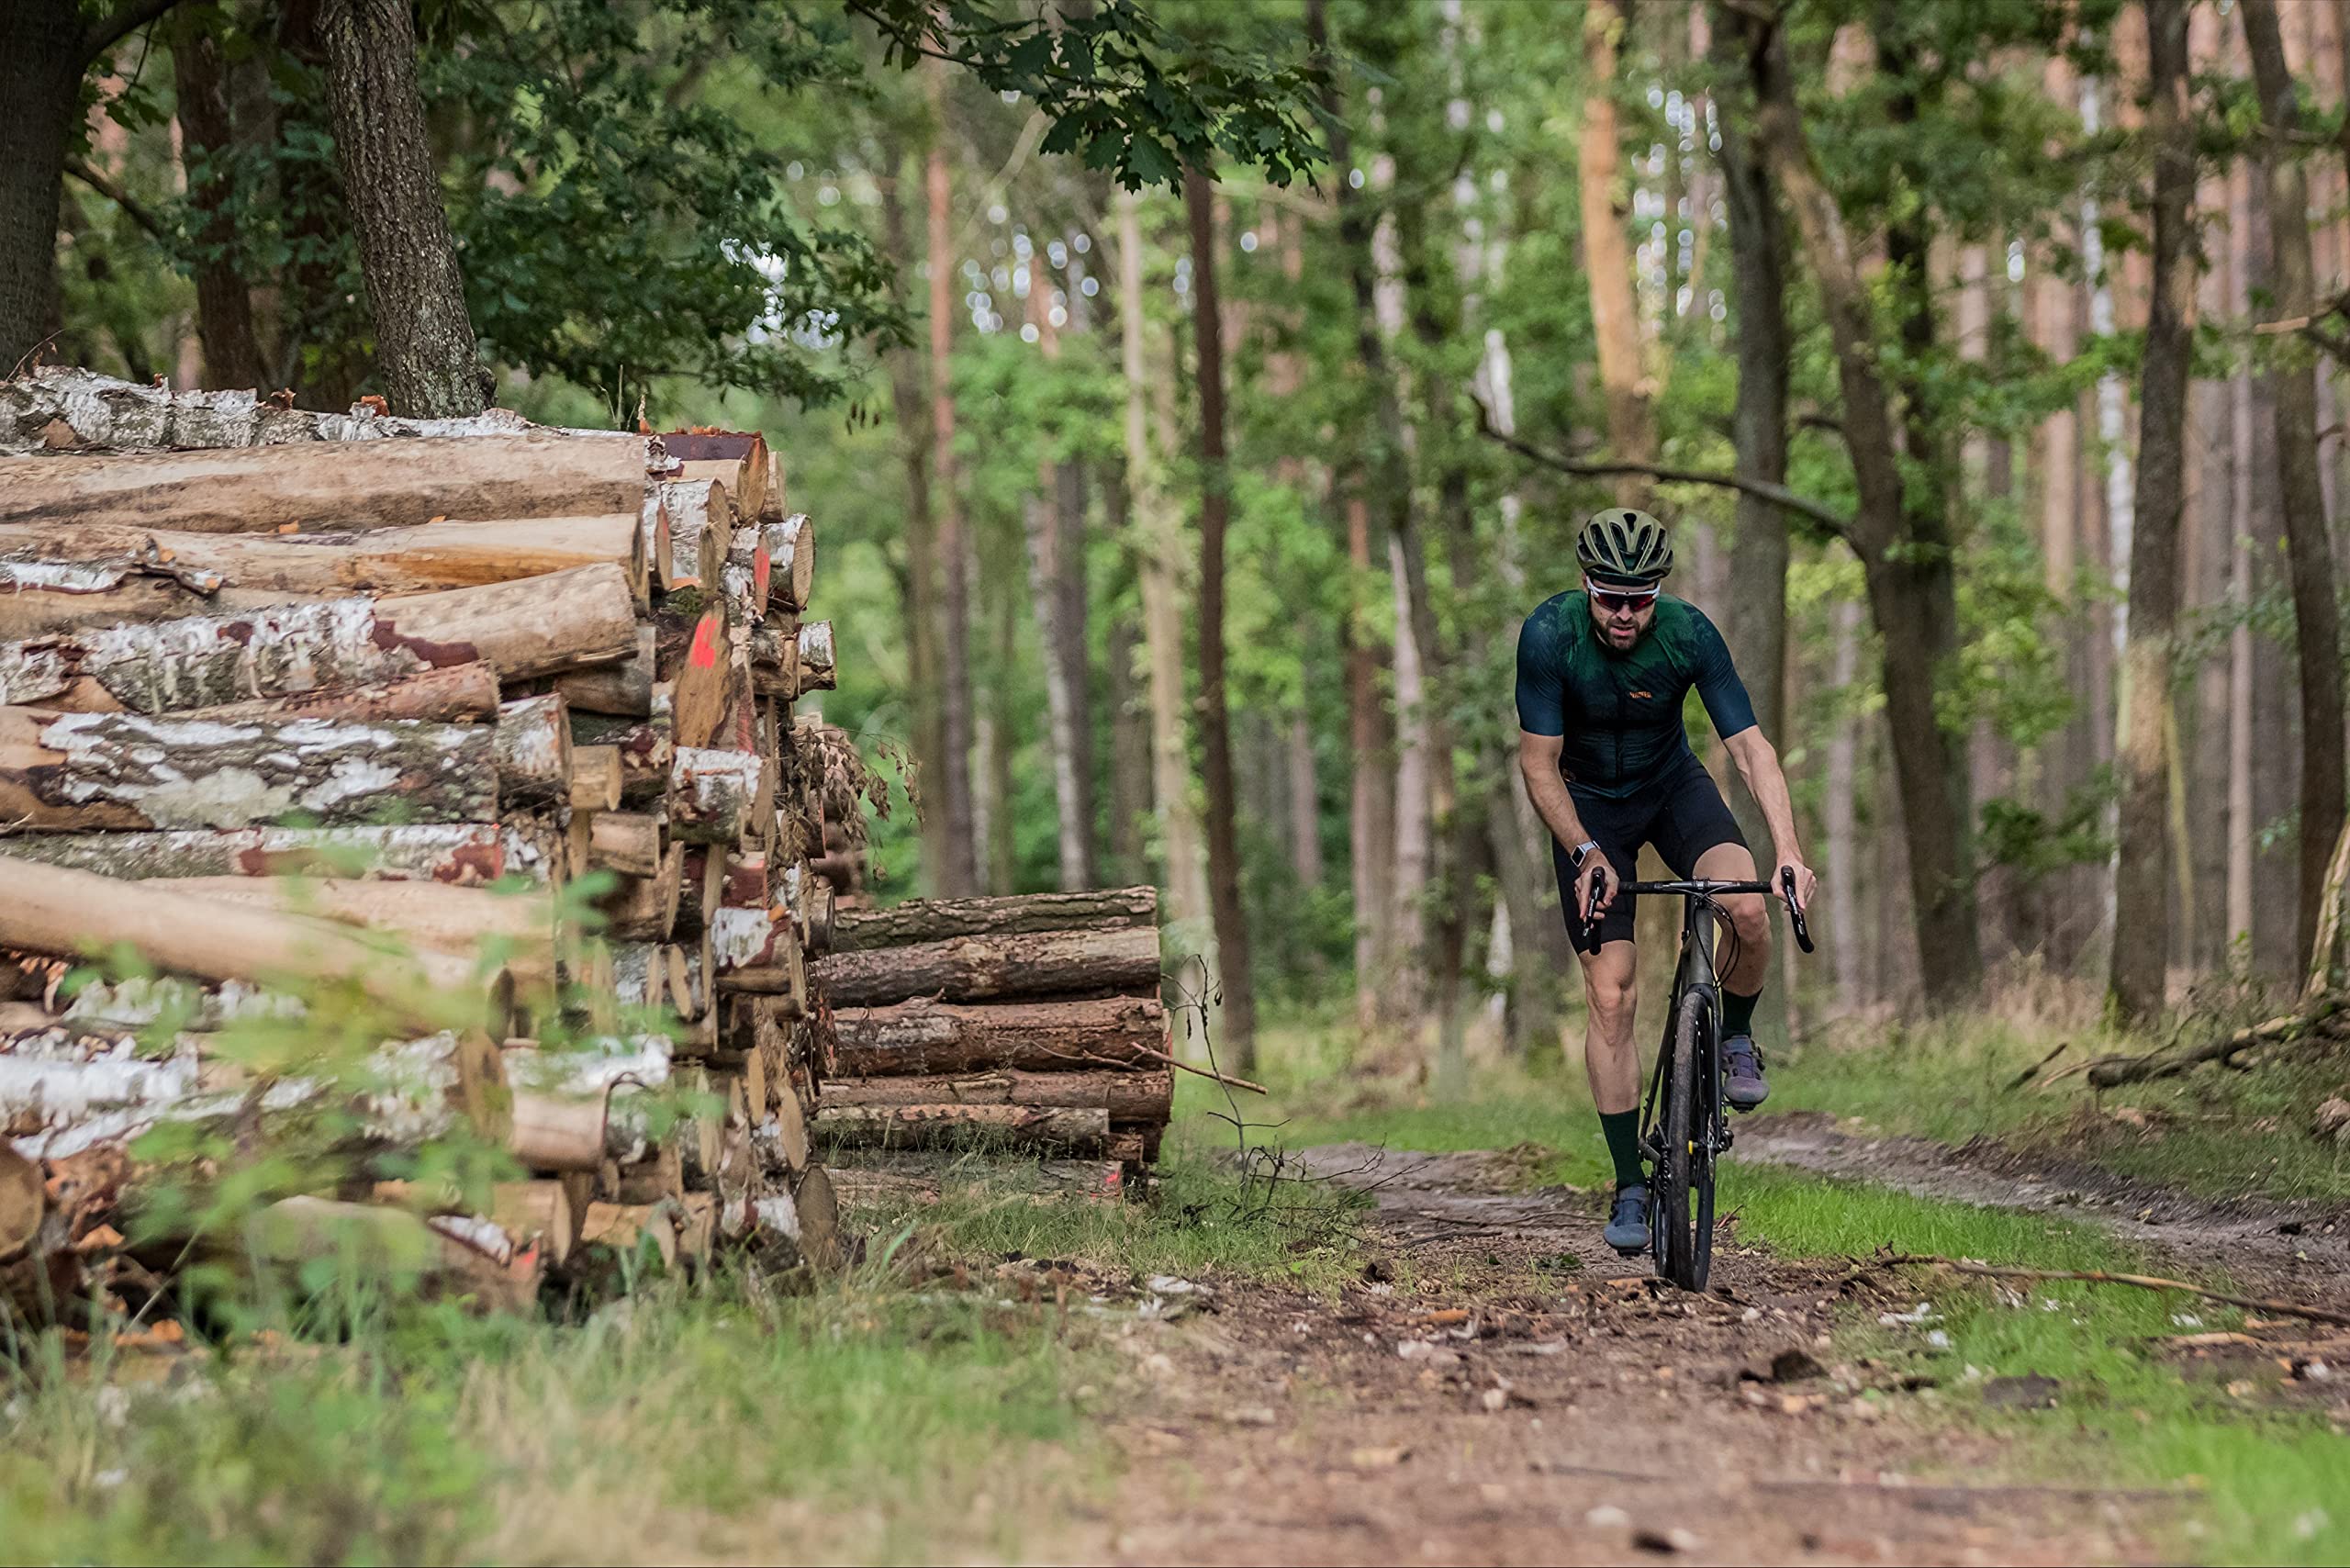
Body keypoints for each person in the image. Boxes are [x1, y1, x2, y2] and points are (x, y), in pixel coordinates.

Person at [1514, 508, 1817, 1255]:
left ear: (1659, 592)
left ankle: (1738, 1038)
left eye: (1640, 597)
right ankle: (1627, 1184)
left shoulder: (1688, 633)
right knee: (1613, 992)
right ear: (1584, 583)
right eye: (1609, 596)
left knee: (1747, 907)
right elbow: (1536, 764)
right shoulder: (1550, 635)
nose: (1623, 612)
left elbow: (1749, 747)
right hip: (1586, 809)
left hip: (1671, 787)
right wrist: (1585, 851)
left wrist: (1788, 847)